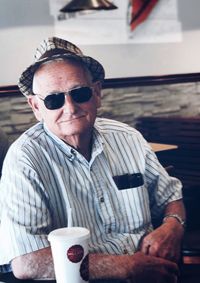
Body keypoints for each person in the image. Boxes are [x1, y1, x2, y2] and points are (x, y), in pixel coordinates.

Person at [0, 37, 185, 283]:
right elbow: (26, 261)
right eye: (53, 100)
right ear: (36, 106)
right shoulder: (25, 159)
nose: (70, 107)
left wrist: (173, 226)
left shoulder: (128, 138)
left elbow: (170, 196)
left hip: (152, 273)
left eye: (80, 93)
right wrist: (125, 267)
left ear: (96, 94)